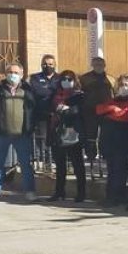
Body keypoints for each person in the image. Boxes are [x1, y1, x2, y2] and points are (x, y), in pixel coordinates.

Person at [0, 65, 38, 203]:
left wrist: (31, 125)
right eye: (10, 72)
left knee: (25, 164)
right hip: (2, 134)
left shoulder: (28, 90)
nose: (13, 75)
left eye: (16, 72)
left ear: (22, 74)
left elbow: (35, 109)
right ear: (5, 74)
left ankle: (30, 191)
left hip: (22, 134)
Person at [96, 75, 128, 207]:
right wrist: (113, 109)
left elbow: (127, 115)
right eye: (122, 85)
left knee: (121, 170)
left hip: (126, 140)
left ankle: (116, 196)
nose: (124, 88)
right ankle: (112, 196)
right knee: (112, 170)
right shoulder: (113, 101)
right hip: (111, 141)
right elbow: (99, 109)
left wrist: (115, 113)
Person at [46, 70, 86, 202]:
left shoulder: (78, 95)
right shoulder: (55, 95)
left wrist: (68, 109)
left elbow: (80, 113)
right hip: (57, 131)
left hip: (73, 132)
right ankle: (59, 192)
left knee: (77, 165)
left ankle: (81, 193)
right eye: (64, 79)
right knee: (60, 165)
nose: (66, 81)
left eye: (69, 79)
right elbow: (49, 109)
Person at [79, 56, 113, 161]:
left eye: (101, 64)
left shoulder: (111, 79)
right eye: (96, 64)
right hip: (90, 111)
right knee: (90, 135)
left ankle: (105, 154)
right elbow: (80, 94)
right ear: (92, 65)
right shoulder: (84, 78)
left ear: (104, 65)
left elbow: (115, 94)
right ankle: (90, 155)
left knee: (105, 134)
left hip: (106, 111)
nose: (99, 66)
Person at [28, 54, 58, 163]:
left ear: (55, 65)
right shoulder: (35, 78)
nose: (47, 66)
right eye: (45, 64)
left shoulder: (59, 78)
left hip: (56, 114)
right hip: (41, 114)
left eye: (50, 64)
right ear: (41, 65)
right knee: (42, 138)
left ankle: (54, 159)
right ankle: (43, 160)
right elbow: (36, 92)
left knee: (56, 137)